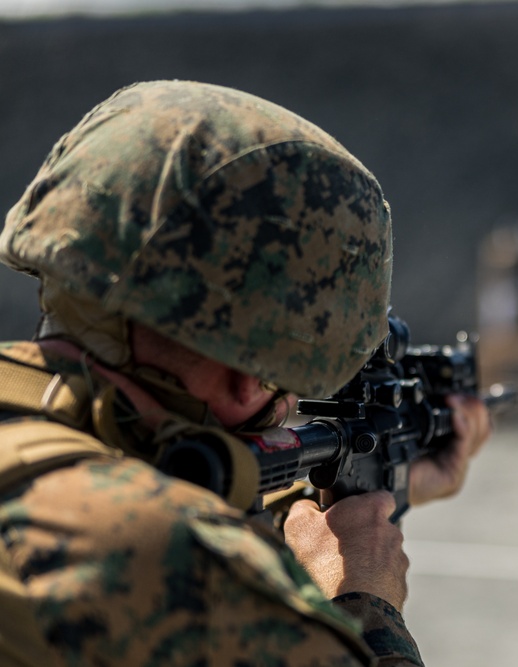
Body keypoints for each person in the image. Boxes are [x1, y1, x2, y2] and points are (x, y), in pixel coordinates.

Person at [0, 80, 491, 666]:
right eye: (287, 386)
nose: (283, 407)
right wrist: (365, 599)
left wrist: (367, 490)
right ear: (252, 373)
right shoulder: (187, 566)